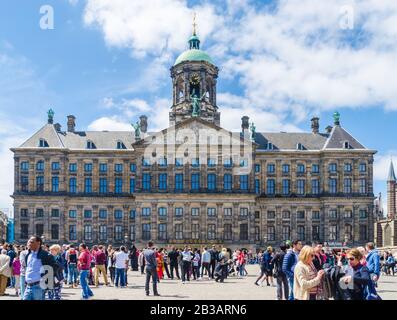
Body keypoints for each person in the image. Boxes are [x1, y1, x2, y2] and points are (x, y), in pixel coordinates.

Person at [23, 236, 60, 300]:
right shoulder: (28, 255)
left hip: (38, 287)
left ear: (38, 243)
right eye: (28, 241)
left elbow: (55, 266)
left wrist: (46, 279)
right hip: (28, 286)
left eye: (31, 242)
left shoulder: (45, 255)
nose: (28, 243)